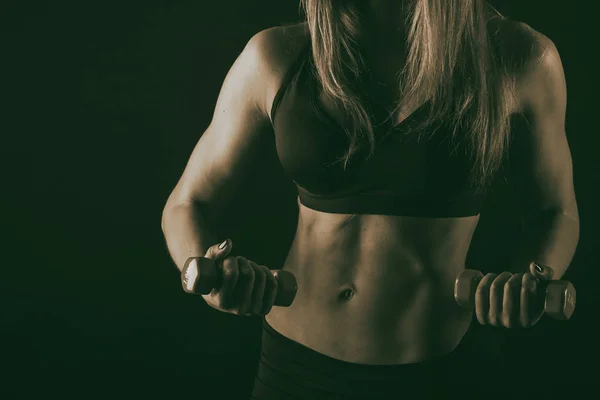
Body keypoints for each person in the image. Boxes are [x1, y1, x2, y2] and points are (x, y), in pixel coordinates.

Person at [161, 0, 579, 398]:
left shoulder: (520, 57)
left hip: (439, 374)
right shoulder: (276, 55)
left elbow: (555, 212)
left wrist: (531, 278)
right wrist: (203, 274)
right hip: (293, 372)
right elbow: (186, 203)